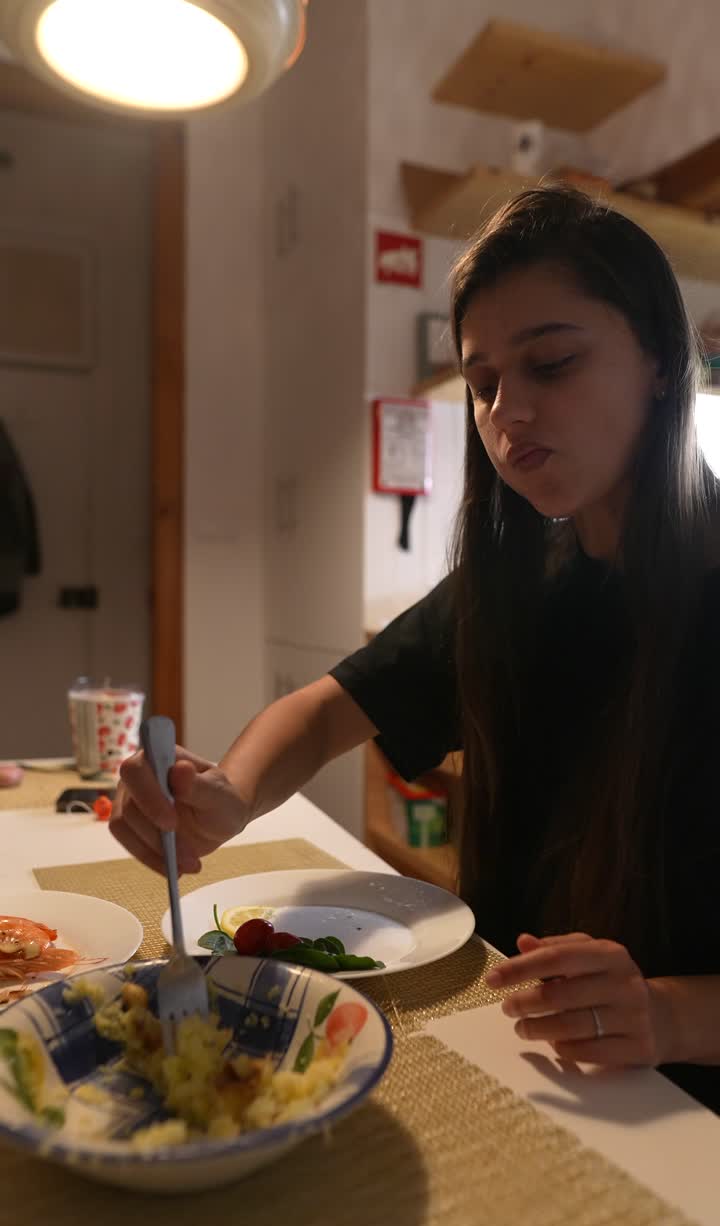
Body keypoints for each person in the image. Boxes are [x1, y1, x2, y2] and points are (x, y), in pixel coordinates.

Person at [111, 185, 720, 1112]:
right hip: (517, 1059)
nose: (507, 413)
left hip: (678, 1110)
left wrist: (670, 1015)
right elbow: (322, 711)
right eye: (482, 385)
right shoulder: (520, 585)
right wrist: (226, 797)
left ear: (662, 362)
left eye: (552, 362)